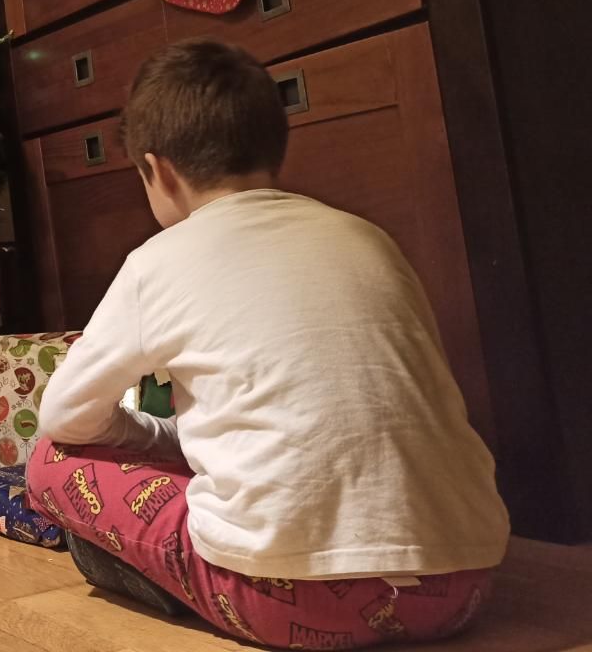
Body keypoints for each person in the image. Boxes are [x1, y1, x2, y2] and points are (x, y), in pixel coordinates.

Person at [29, 38, 508, 650]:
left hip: (290, 598)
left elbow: (64, 417)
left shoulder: (157, 261)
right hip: (462, 585)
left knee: (50, 461)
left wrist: (155, 443)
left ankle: (152, 576)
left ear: (161, 172)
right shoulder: (369, 238)